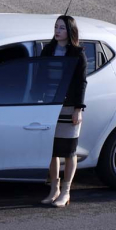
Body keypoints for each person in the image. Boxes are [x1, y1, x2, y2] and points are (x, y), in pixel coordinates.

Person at [40, 15, 88, 207]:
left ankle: (66, 192)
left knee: (69, 151)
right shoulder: (48, 50)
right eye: (56, 27)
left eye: (61, 28)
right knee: (52, 151)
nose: (57, 31)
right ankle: (54, 189)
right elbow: (39, 77)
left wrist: (78, 109)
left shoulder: (78, 53)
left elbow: (81, 82)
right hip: (51, 106)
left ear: (70, 31)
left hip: (69, 107)